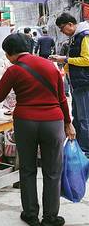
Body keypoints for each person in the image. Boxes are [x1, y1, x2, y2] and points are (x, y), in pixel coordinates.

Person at [0, 33, 74, 226]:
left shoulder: (13, 70)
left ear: (10, 53)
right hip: (53, 122)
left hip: (26, 122)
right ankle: (50, 218)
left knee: (27, 169)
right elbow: (62, 99)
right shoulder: (51, 66)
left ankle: (31, 215)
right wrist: (68, 122)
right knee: (52, 171)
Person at [51, 13, 89, 157]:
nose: (62, 31)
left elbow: (87, 60)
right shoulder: (75, 37)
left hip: (84, 83)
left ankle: (85, 151)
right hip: (77, 83)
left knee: (84, 118)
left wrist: (65, 59)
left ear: (70, 24)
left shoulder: (84, 36)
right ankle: (79, 147)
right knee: (77, 116)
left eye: (62, 28)